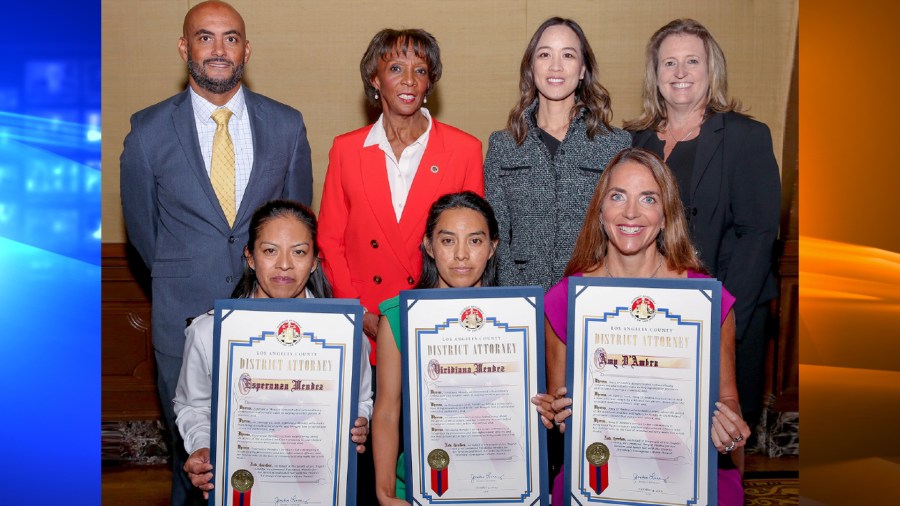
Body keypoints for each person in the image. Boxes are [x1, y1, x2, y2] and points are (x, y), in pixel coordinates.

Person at [118, 2, 313, 503]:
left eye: (231, 38)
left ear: (246, 49)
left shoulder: (288, 125)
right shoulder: (147, 131)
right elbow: (145, 236)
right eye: (205, 38)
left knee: (278, 457)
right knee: (196, 467)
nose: (219, 49)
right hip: (182, 323)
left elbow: (296, 224)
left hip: (274, 323)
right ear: (185, 47)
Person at [532, 148, 751, 505]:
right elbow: (564, 411)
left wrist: (728, 425)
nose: (630, 212)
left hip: (687, 466)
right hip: (602, 467)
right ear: (600, 212)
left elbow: (727, 399)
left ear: (666, 216)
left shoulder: (705, 301)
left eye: (648, 198)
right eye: (617, 196)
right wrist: (556, 411)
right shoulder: (564, 301)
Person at [626, 18, 781, 430]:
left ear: (711, 69)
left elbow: (758, 235)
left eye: (691, 61)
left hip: (728, 304)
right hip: (654, 314)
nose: (680, 73)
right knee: (657, 424)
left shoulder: (746, 137)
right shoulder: (634, 140)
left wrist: (722, 318)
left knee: (725, 426)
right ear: (655, 75)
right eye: (669, 63)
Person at [173, 200, 373, 500]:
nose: (284, 264)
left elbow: (361, 397)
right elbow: (193, 405)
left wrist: (358, 421)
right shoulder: (208, 332)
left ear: (315, 261)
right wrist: (203, 445)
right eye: (270, 251)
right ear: (250, 257)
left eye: (299, 252)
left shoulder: (345, 333)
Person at [318, 28, 484, 364]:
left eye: (420, 70)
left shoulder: (464, 150)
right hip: (366, 328)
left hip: (437, 326)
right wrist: (360, 311)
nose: (409, 80)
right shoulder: (346, 150)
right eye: (395, 68)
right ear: (375, 79)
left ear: (429, 84)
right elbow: (330, 241)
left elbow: (473, 245)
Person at [484, 17, 631, 292]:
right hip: (522, 297)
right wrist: (520, 298)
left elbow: (621, 230)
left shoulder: (615, 144)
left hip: (593, 296)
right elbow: (496, 233)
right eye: (544, 54)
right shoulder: (503, 145)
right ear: (531, 66)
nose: (555, 66)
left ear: (583, 70)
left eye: (568, 55)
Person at [371, 191, 500, 505]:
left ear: (493, 247)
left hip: (498, 482)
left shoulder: (517, 318)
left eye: (475, 241)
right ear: (429, 246)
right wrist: (385, 492)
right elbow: (387, 411)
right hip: (417, 485)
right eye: (447, 241)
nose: (460, 255)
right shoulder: (398, 317)